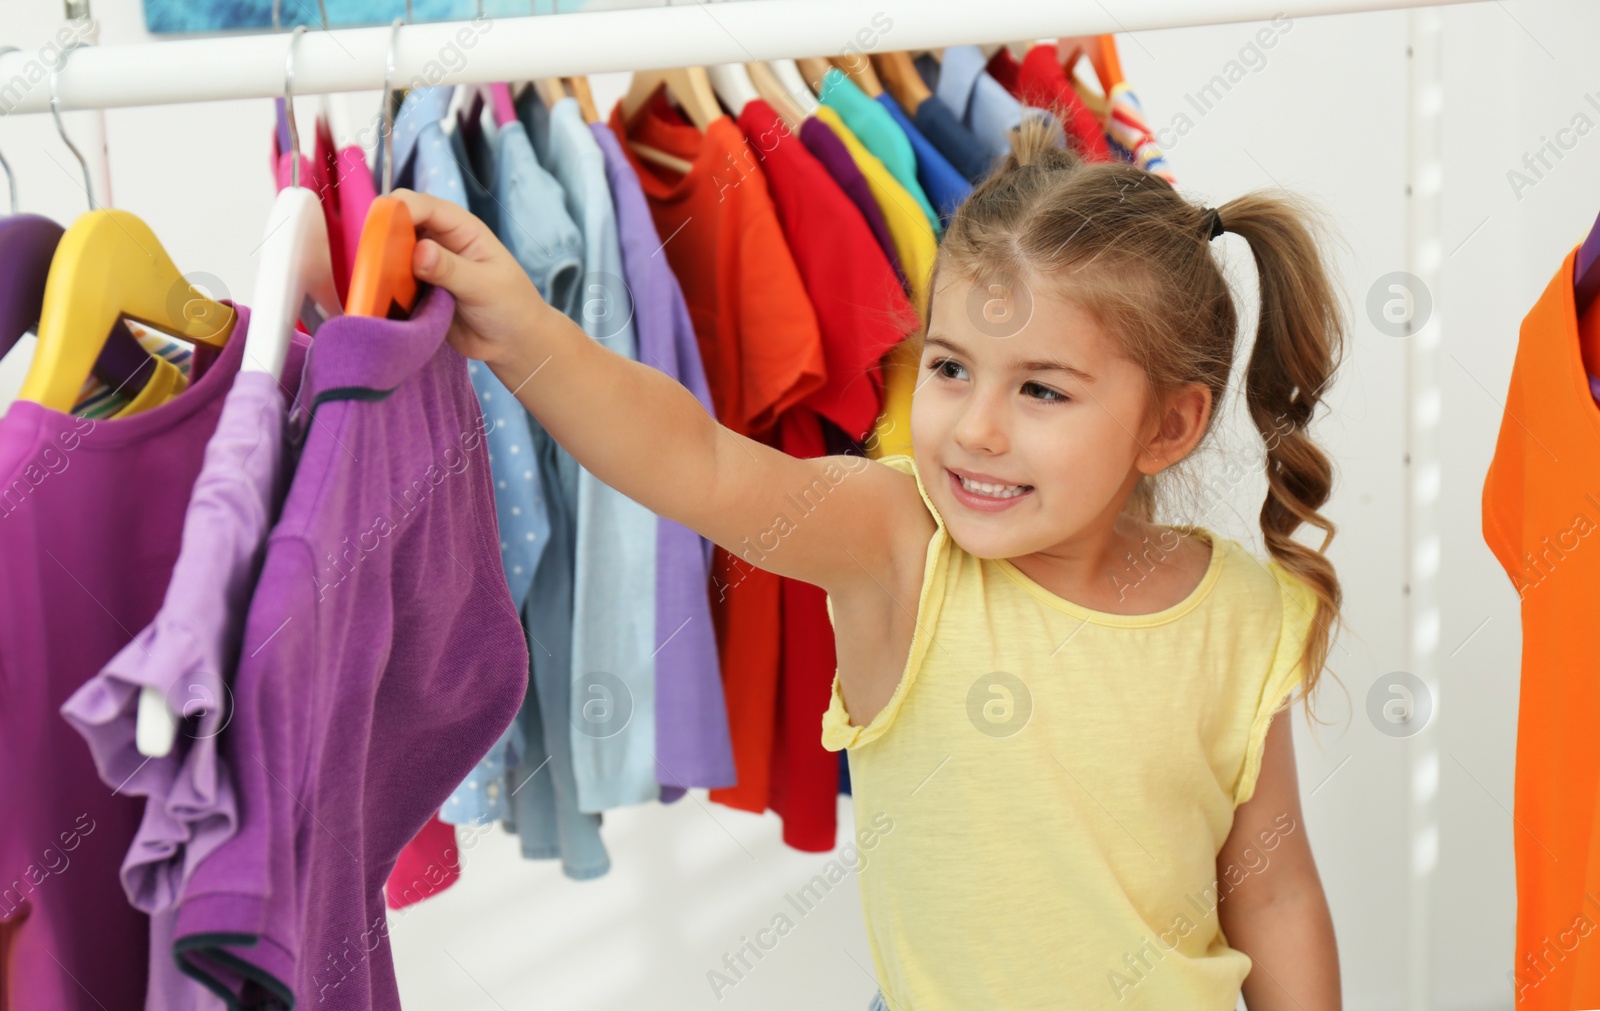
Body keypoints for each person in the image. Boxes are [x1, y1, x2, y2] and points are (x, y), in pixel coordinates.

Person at [387, 111, 1345, 1010]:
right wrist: (529, 334)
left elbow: (1272, 891)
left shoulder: (1245, 611)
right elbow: (699, 462)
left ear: (1169, 424)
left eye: (1042, 390)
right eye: (950, 366)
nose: (975, 427)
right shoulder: (902, 543)